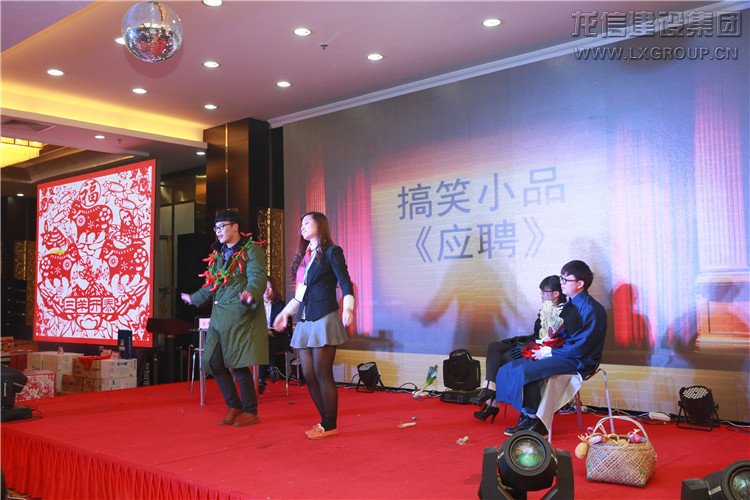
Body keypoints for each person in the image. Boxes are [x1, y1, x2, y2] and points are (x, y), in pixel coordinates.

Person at [494, 260, 607, 437]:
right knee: (519, 364)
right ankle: (528, 415)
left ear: (580, 284)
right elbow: (565, 334)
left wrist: (550, 351)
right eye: (561, 279)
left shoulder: (592, 309)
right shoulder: (571, 304)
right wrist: (547, 341)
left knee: (526, 369)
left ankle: (534, 420)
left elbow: (582, 347)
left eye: (565, 280)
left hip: (580, 360)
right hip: (565, 353)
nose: (561, 283)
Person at [181, 210, 268, 427]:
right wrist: (194, 298)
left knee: (237, 363)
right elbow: (211, 283)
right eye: (216, 228)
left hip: (240, 315)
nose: (218, 231)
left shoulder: (251, 250)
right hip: (219, 316)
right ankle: (234, 405)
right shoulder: (218, 254)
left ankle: (250, 410)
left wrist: (251, 292)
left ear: (235, 227)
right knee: (213, 361)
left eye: (222, 227)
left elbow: (258, 277)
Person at [273, 211, 354, 440]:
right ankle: (324, 421)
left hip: (324, 316)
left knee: (321, 371)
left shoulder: (332, 251)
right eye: (301, 224)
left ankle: (330, 424)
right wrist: (284, 313)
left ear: (320, 224)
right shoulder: (307, 257)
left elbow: (345, 282)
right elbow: (300, 294)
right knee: (308, 373)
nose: (302, 227)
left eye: (306, 222)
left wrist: (348, 307)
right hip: (305, 319)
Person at [471, 275, 566, 423]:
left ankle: (491, 400)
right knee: (494, 346)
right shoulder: (545, 309)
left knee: (500, 360)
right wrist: (519, 340)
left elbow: (554, 341)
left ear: (556, 294)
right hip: (532, 343)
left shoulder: (563, 313)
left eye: (544, 292)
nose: (541, 295)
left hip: (542, 351)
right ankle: (489, 390)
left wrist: (526, 348)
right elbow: (536, 334)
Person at [258, 277, 293, 394]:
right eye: (264, 288)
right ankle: (272, 367)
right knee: (264, 340)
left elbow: (286, 327)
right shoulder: (256, 306)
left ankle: (261, 379)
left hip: (278, 339)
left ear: (274, 289)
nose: (266, 290)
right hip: (260, 341)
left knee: (267, 340)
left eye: (269, 287)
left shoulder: (280, 305)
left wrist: (271, 331)